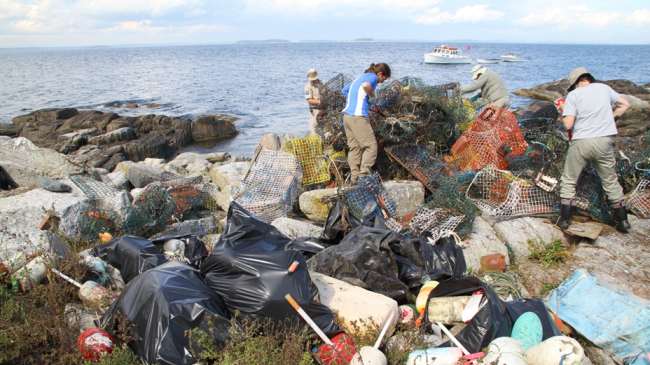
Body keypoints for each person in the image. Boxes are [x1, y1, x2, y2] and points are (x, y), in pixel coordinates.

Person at [557, 67, 631, 233]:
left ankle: (564, 221)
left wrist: (562, 111)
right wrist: (612, 118)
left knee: (569, 179)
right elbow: (625, 104)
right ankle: (623, 222)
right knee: (610, 181)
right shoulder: (604, 88)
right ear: (589, 78)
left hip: (582, 141)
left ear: (576, 83)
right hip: (604, 141)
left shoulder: (574, 95)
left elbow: (568, 124)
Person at [341, 63, 391, 182]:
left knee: (355, 147)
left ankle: (354, 178)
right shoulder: (372, 77)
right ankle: (363, 176)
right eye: (384, 79)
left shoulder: (359, 78)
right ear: (380, 74)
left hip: (347, 116)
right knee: (371, 146)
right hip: (358, 117)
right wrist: (372, 96)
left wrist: (357, 100)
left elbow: (344, 90)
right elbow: (366, 85)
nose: (382, 82)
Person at [304, 69, 322, 136]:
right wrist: (319, 102)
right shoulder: (308, 86)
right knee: (314, 129)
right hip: (315, 110)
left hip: (325, 110)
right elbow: (309, 100)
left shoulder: (323, 83)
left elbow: (328, 92)